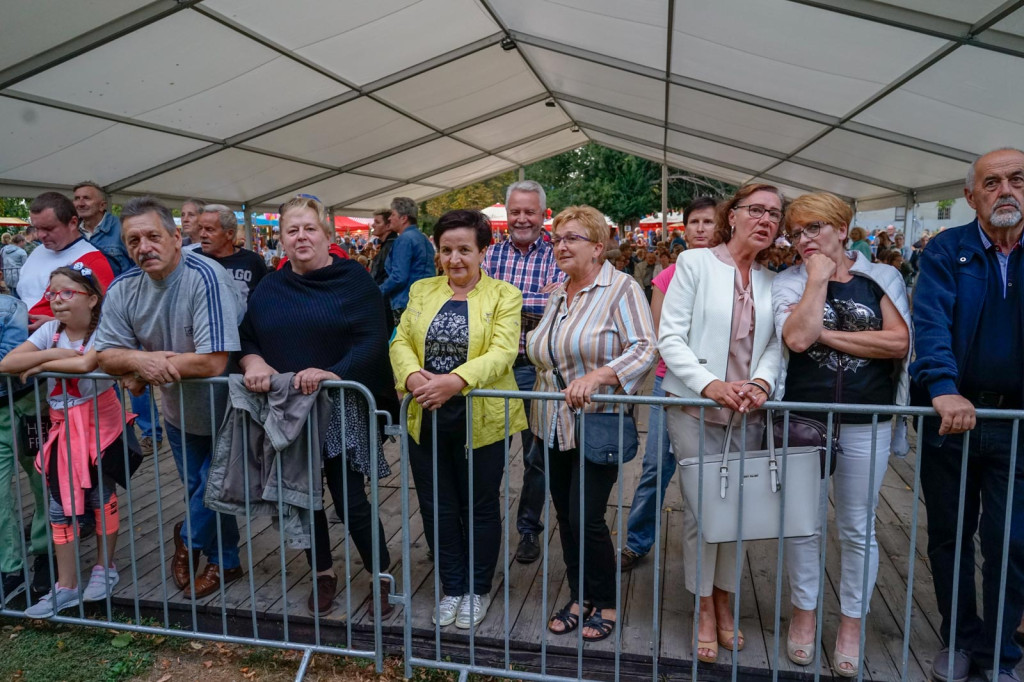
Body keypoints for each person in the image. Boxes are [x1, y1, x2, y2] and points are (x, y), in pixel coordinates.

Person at [772, 192, 911, 677]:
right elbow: (795, 337)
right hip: (804, 419)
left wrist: (826, 335)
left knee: (857, 526)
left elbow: (898, 341)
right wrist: (815, 279)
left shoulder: (882, 277)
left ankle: (852, 622)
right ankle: (804, 614)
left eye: (814, 228)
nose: (803, 239)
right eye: (796, 232)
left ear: (841, 228)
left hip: (866, 419)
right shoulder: (790, 280)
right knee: (803, 525)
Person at [239, 196, 398, 617]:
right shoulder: (270, 287)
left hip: (341, 405)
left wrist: (333, 372)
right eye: (292, 230)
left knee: (351, 500)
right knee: (303, 498)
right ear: (281, 239)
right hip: (291, 409)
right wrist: (254, 361)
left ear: (327, 235)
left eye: (310, 228)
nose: (301, 237)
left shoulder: (354, 280)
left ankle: (381, 576)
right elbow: (247, 336)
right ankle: (322, 574)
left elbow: (373, 341)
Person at [659, 184, 785, 663]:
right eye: (756, 210)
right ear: (732, 216)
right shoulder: (694, 264)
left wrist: (762, 382)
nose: (765, 220)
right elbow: (670, 337)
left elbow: (774, 345)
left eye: (774, 214)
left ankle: (727, 601)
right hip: (694, 408)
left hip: (747, 412)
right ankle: (704, 608)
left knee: (738, 515)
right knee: (703, 513)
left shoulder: (773, 281)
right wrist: (709, 384)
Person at [911, 148, 1024, 682]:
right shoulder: (945, 249)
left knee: (1011, 540)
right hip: (952, 420)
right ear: (971, 195)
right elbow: (930, 321)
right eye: (992, 182)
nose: (1007, 191)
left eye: (1017, 179)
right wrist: (943, 387)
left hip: (1017, 424)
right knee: (949, 535)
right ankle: (957, 637)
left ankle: (999, 653)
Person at [95, 196, 243, 600]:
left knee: (214, 487)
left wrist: (142, 369)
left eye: (153, 236)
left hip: (230, 409)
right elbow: (105, 354)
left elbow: (213, 361)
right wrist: (140, 360)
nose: (144, 247)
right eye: (133, 241)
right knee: (199, 486)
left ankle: (189, 540)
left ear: (177, 238)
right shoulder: (124, 288)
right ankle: (226, 561)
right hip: (179, 412)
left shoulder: (206, 277)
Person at [391, 209, 526, 629]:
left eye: (465, 249)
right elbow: (400, 340)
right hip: (426, 412)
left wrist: (454, 381)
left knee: (479, 504)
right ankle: (452, 586)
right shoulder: (422, 290)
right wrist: (411, 376)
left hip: (480, 415)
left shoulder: (504, 295)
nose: (454, 259)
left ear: (483, 251)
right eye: (446, 250)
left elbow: (503, 352)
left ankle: (477, 588)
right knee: (437, 505)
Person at [528, 205, 656, 642]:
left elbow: (645, 347)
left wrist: (599, 377)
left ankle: (605, 600)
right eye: (557, 239)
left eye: (572, 238)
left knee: (587, 517)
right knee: (566, 516)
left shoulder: (621, 289)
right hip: (551, 422)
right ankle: (580, 595)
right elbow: (545, 351)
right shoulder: (559, 293)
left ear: (598, 247)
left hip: (597, 423)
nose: (560, 246)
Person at [0, 264, 129, 616]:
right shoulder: (50, 332)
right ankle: (67, 585)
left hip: (100, 425)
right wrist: (54, 356)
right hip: (63, 429)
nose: (57, 300)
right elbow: (8, 362)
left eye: (67, 293)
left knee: (100, 496)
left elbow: (88, 364)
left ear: (92, 298)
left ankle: (104, 567)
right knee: (59, 505)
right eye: (53, 293)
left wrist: (40, 366)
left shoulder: (105, 328)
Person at [621, 196, 718, 571]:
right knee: (656, 466)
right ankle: (637, 541)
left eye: (708, 221)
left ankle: (712, 544)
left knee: (711, 471)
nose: (701, 228)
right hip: (670, 382)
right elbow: (660, 333)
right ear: (685, 229)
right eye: (694, 221)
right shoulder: (668, 275)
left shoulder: (729, 272)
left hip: (717, 385)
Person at [483, 180, 565, 565]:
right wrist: (537, 304)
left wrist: (504, 303)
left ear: (543, 214)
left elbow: (562, 304)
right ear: (506, 212)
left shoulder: (557, 252)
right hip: (494, 366)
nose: (521, 219)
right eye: (515, 211)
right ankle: (483, 525)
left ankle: (529, 528)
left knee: (536, 455)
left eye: (529, 211)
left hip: (537, 367)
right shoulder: (490, 254)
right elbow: (481, 304)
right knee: (489, 452)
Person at [0, 293, 50, 604]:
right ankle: (10, 567)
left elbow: (9, 358)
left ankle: (46, 552)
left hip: (27, 402)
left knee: (41, 479)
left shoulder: (9, 307)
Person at [21, 193, 114, 332]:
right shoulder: (39, 250)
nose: (40, 235)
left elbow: (106, 315)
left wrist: (55, 324)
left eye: (48, 228)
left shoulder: (93, 260)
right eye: (37, 228)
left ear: (73, 223)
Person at [196, 204, 268, 302]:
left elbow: (265, 298)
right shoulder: (194, 259)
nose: (202, 234)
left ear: (229, 234)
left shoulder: (252, 261)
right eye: (200, 228)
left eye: (209, 229)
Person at [380, 197, 434, 322]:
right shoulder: (423, 239)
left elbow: (399, 277)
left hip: (406, 301)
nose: (389, 218)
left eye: (393, 214)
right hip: (426, 299)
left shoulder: (404, 240)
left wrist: (378, 291)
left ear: (404, 218)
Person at [72, 182, 132, 277]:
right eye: (77, 198)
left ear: (102, 205)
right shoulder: (71, 232)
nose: (80, 204)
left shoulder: (123, 228)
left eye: (86, 198)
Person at [1, 234, 28, 298]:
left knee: (12, 295)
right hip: (19, 277)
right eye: (24, 241)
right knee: (19, 296)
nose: (25, 243)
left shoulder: (3, 250)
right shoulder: (22, 252)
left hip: (7, 276)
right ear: (21, 241)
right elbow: (26, 266)